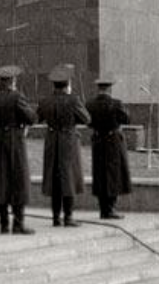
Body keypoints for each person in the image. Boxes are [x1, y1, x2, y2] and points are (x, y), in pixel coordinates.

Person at [0, 64, 36, 235]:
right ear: (12, 81)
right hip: (13, 142)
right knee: (17, 180)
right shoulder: (16, 97)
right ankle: (18, 224)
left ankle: (3, 224)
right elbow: (31, 117)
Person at [37, 66, 90, 227]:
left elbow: (38, 117)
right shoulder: (73, 100)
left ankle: (55, 217)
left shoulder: (46, 101)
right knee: (69, 178)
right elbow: (86, 119)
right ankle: (68, 216)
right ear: (68, 84)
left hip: (52, 140)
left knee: (54, 177)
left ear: (53, 85)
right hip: (68, 140)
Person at [86, 77, 132, 219]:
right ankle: (111, 208)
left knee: (100, 173)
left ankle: (103, 208)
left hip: (98, 141)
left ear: (98, 89)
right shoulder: (116, 103)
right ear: (110, 89)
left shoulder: (90, 104)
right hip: (113, 142)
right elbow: (127, 119)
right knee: (114, 174)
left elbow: (88, 122)